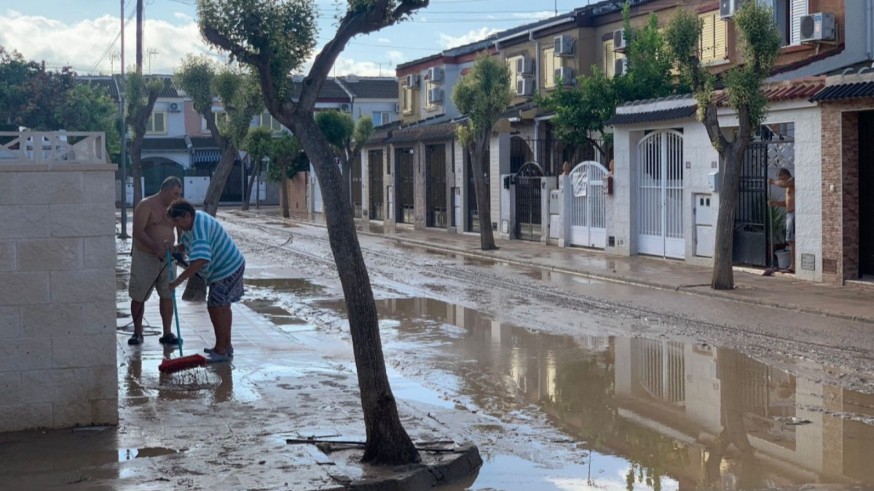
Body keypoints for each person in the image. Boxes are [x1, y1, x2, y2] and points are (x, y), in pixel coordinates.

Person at [166, 199, 245, 362]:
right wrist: (175, 248)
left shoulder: (199, 227)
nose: (177, 227)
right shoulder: (193, 222)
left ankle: (221, 349)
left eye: (178, 222)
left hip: (227, 268)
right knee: (223, 306)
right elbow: (189, 245)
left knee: (216, 306)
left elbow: (200, 260)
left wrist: (178, 280)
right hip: (226, 267)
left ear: (187, 215)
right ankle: (226, 346)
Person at [128, 176, 184, 346]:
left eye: (179, 194)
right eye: (175, 194)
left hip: (167, 259)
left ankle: (167, 332)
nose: (177, 197)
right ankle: (138, 332)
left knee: (168, 294)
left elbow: (181, 229)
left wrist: (180, 246)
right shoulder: (147, 205)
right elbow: (138, 231)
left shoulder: (175, 208)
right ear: (164, 190)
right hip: (145, 256)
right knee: (139, 294)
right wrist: (154, 246)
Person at [768, 168, 795, 273]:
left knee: (792, 240)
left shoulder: (792, 181)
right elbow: (788, 202)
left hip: (793, 215)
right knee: (790, 240)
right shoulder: (788, 187)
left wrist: (773, 182)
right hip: (789, 214)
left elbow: (783, 184)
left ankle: (793, 266)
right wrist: (776, 203)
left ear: (785, 175)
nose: (780, 180)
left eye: (780, 177)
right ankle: (792, 264)